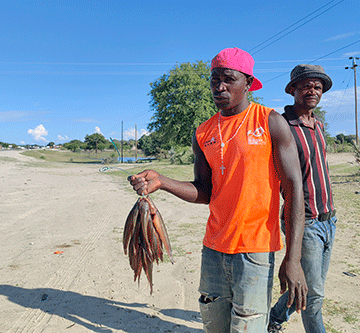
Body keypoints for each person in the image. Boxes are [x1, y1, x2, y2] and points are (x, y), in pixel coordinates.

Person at [129, 47, 307, 333]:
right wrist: (161, 181)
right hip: (213, 249)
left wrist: (294, 258)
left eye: (229, 79)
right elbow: (204, 192)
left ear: (248, 83)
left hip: (255, 250)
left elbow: (294, 190)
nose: (219, 87)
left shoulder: (270, 122)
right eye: (214, 80)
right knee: (215, 327)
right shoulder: (203, 132)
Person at [268, 64, 337, 333]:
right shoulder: (283, 126)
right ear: (293, 90)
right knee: (315, 294)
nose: (312, 90)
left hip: (329, 220)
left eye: (317, 87)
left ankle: (274, 317)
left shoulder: (318, 125)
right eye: (306, 85)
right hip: (304, 222)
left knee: (309, 283)